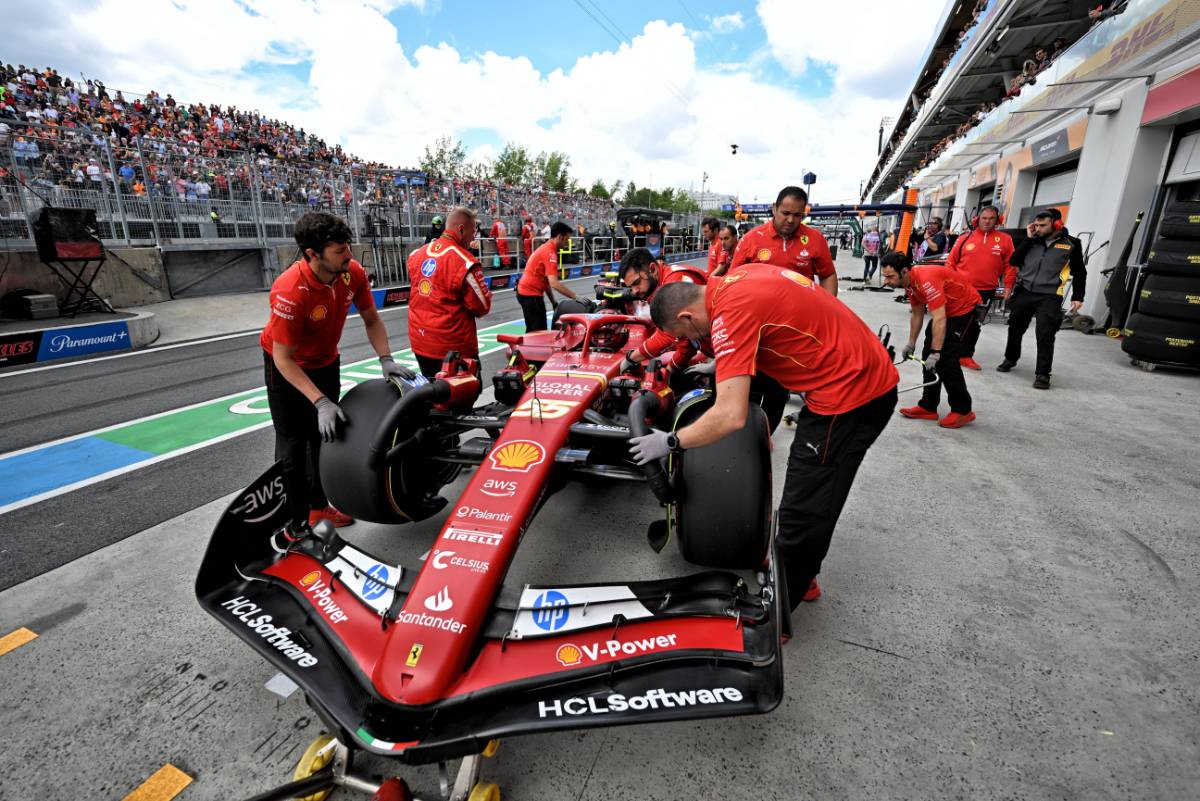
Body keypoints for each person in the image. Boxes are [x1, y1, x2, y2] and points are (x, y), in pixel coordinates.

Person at [630, 268, 899, 612]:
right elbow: (771, 324)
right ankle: (798, 569)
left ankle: (779, 609)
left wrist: (670, 441)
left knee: (804, 508)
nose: (695, 342)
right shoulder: (736, 281)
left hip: (850, 396)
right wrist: (727, 362)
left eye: (687, 333)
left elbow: (730, 415)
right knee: (808, 495)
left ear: (687, 314)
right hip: (854, 369)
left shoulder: (729, 314)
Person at [259, 212, 414, 535]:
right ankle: (294, 523)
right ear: (313, 254)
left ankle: (318, 508)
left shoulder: (351, 273)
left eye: (348, 247)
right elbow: (284, 359)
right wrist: (319, 402)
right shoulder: (290, 289)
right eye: (340, 251)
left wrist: (386, 359)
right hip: (286, 366)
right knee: (292, 445)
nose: (350, 256)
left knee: (324, 438)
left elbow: (372, 319)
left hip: (326, 361)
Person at [880, 252, 981, 428]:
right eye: (885, 276)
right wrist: (911, 343)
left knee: (945, 359)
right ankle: (928, 406)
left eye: (890, 277)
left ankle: (963, 410)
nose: (886, 281)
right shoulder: (909, 284)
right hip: (946, 310)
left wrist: (937, 353)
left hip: (964, 310)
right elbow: (918, 313)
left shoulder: (926, 280)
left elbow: (939, 318)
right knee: (927, 354)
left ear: (904, 271)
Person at [997, 210, 1085, 389]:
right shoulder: (1030, 240)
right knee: (1015, 327)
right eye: (1036, 225)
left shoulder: (1072, 244)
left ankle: (1043, 374)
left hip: (1050, 294)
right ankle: (1010, 358)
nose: (1039, 228)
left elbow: (1080, 272)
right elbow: (1014, 261)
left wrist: (1078, 296)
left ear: (1056, 224)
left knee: (1045, 333)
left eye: (1043, 225)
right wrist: (1028, 239)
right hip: (1025, 290)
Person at [406, 207, 493, 378]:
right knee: (466, 394)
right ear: (461, 229)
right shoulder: (465, 262)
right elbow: (482, 307)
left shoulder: (417, 254)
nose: (474, 236)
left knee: (433, 394)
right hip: (451, 349)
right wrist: (487, 295)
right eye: (473, 230)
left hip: (419, 342)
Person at [731, 186, 838, 295]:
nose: (791, 220)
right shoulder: (750, 239)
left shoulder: (815, 239)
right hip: (761, 310)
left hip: (802, 309)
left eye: (797, 215)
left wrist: (827, 307)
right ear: (774, 209)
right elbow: (732, 279)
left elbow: (827, 275)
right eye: (786, 213)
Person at [945, 205, 1014, 370]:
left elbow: (1010, 265)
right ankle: (947, 351)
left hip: (986, 291)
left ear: (997, 220)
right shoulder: (964, 238)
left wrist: (1008, 286)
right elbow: (950, 263)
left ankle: (966, 356)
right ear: (977, 220)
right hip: (961, 289)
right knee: (953, 321)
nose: (987, 221)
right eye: (984, 218)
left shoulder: (1005, 240)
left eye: (991, 218)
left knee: (975, 324)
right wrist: (948, 284)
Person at [615, 247, 707, 371]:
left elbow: (667, 335)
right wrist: (671, 369)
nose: (634, 291)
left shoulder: (675, 281)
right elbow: (687, 339)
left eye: (637, 283)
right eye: (631, 287)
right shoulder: (660, 285)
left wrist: (631, 358)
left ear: (652, 269)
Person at [516, 221, 583, 332]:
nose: (567, 243)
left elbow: (546, 280)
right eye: (567, 239)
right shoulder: (549, 253)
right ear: (560, 237)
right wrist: (575, 297)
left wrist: (553, 302)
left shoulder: (546, 247)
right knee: (538, 333)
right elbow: (554, 283)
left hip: (525, 292)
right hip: (530, 295)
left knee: (533, 330)